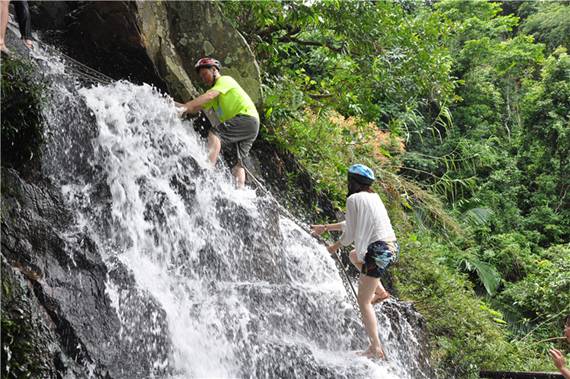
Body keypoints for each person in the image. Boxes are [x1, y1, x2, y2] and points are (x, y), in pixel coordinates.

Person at [311, 164, 399, 359]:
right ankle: (381, 292)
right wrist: (324, 228)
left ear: (352, 182)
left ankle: (375, 348)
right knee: (353, 256)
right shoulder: (373, 197)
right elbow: (351, 225)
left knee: (363, 301)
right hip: (390, 247)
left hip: (378, 251)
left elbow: (350, 233)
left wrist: (333, 248)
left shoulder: (353, 199)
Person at [176, 57, 260, 188]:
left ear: (214, 70)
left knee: (215, 133)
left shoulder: (225, 80)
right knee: (237, 162)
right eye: (201, 77)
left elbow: (208, 96)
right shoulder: (215, 97)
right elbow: (194, 108)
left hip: (246, 117)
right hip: (252, 125)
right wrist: (175, 105)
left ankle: (206, 170)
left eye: (205, 74)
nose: (203, 79)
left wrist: (185, 107)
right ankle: (240, 193)